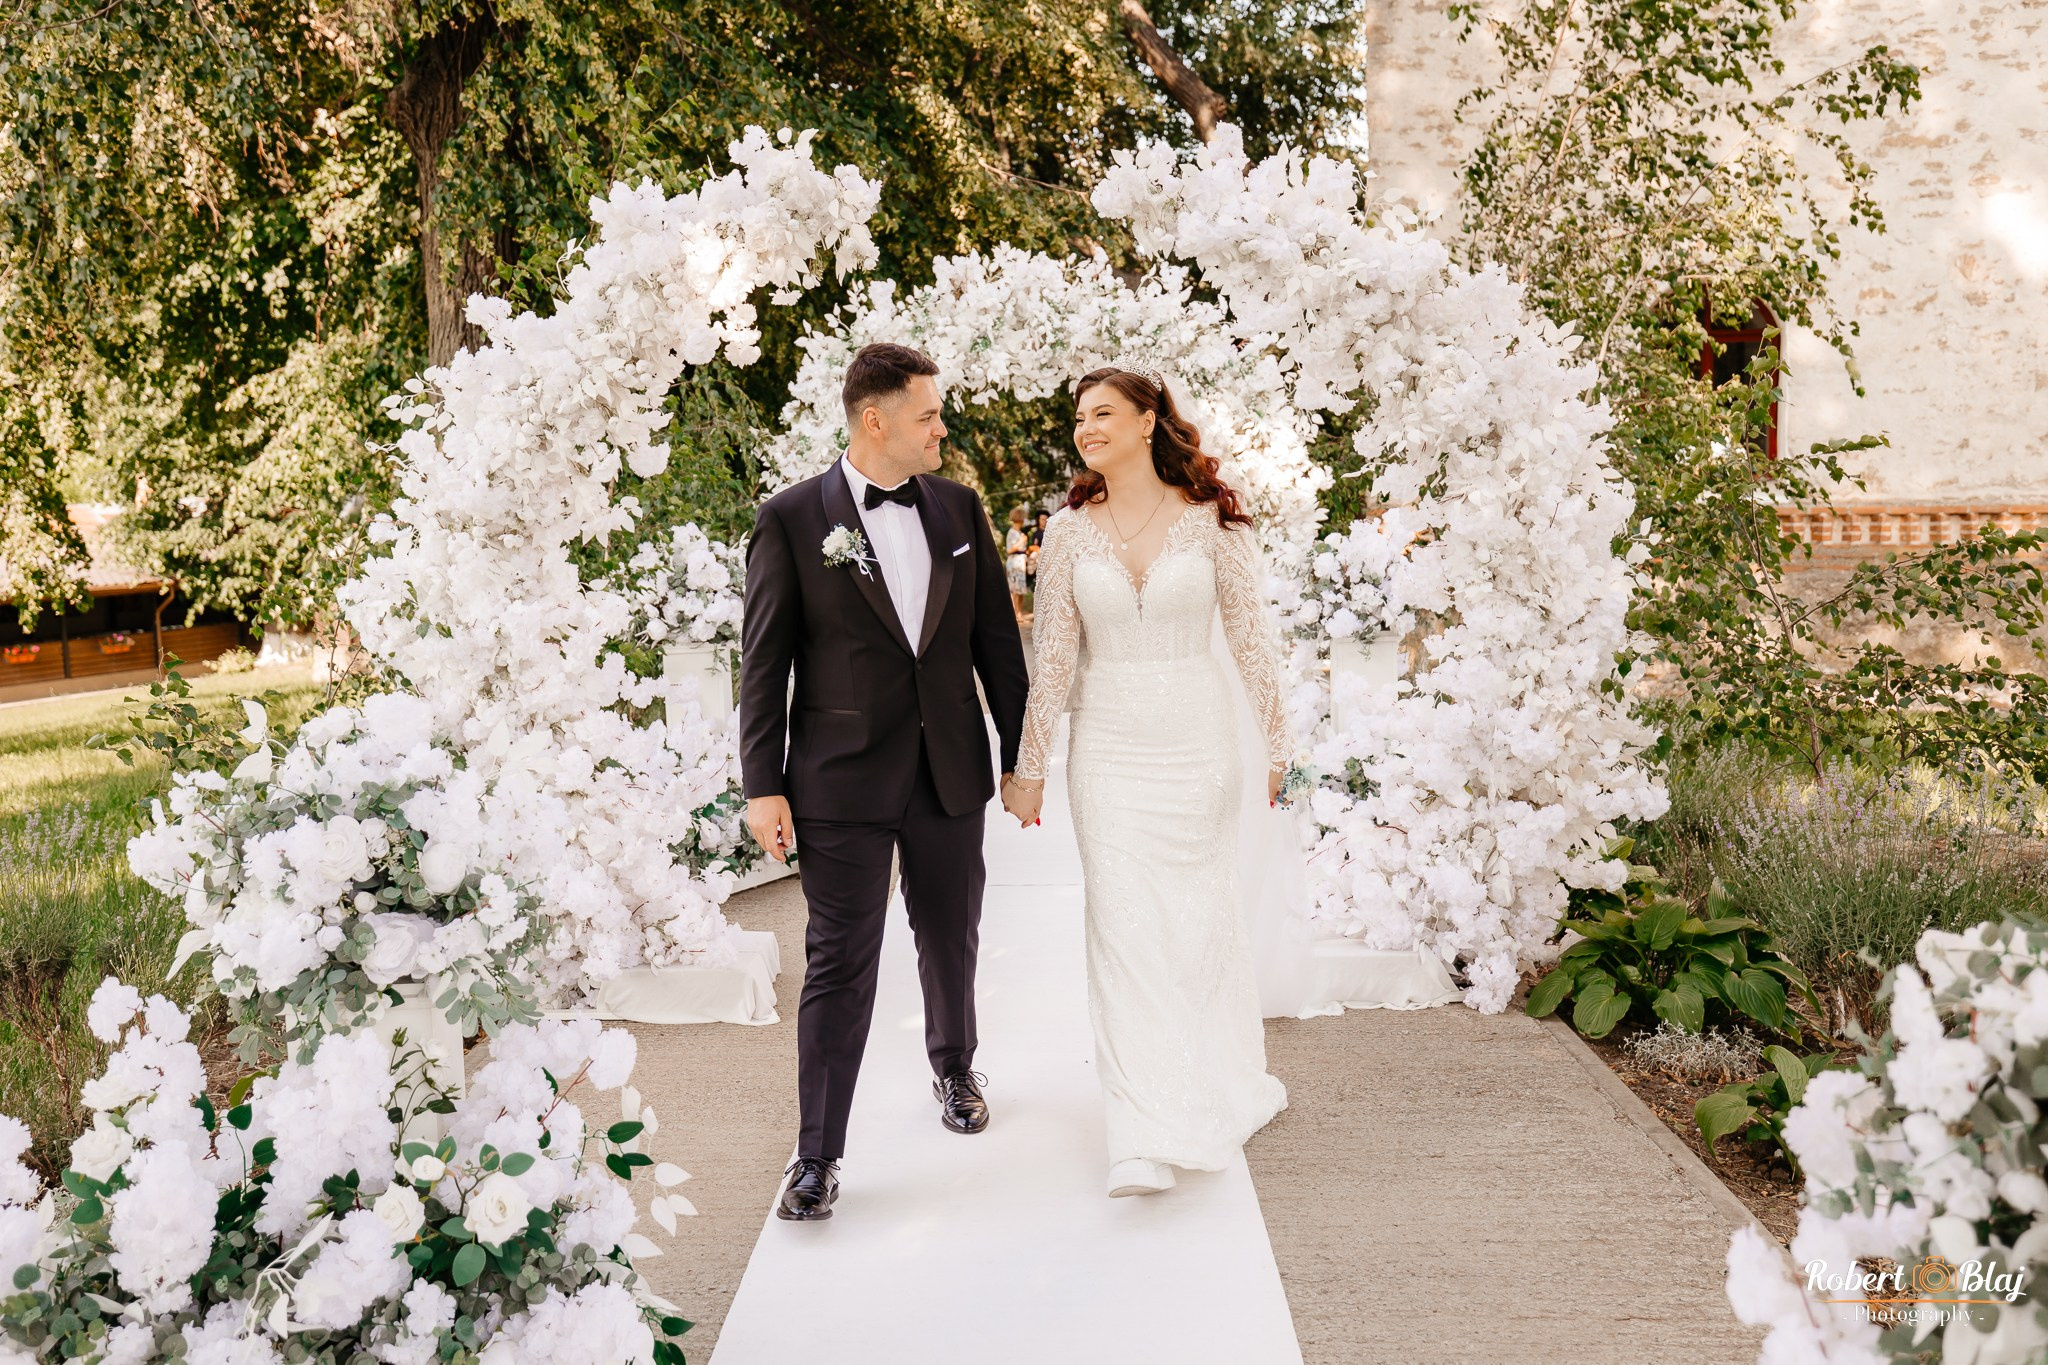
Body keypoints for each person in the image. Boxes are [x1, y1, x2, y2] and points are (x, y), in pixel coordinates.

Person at [739, 342, 1030, 1222]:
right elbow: (764, 664)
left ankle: (954, 1068)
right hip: (838, 785)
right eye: (929, 413)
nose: (943, 426)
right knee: (837, 966)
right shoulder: (792, 518)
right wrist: (763, 784)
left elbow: (995, 647)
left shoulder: (958, 507)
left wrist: (1021, 759)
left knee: (952, 937)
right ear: (877, 420)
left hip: (949, 774)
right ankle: (818, 1155)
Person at [1001, 361, 1291, 1199]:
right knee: (1123, 929)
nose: (1085, 429)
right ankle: (1139, 1129)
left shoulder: (1211, 520)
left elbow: (1251, 640)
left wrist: (1277, 744)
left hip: (1200, 750)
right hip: (1110, 754)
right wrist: (1029, 770)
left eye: (1101, 414)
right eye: (1078, 417)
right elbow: (1052, 659)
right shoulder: (1067, 531)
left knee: (1196, 928)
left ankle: (1204, 1081)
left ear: (1145, 420)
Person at [1004, 506, 1031, 619]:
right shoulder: (1012, 532)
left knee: (1020, 589)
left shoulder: (1019, 532)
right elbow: (1009, 549)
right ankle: (1014, 613)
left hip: (1021, 561)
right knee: (1014, 589)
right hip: (1014, 561)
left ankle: (1019, 613)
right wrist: (1021, 541)